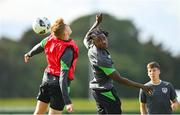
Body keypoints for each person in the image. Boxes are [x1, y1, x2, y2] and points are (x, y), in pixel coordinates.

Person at [83, 13, 153, 114]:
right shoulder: (101, 59)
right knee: (116, 110)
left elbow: (86, 37)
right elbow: (120, 80)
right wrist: (142, 86)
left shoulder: (91, 47)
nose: (103, 42)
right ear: (94, 42)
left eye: (104, 38)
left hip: (96, 89)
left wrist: (97, 23)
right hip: (105, 91)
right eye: (99, 40)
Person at [24, 17, 78, 114]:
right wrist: (68, 102)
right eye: (66, 25)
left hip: (46, 81)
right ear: (65, 33)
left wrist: (29, 54)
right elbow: (63, 77)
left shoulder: (50, 38)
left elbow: (39, 46)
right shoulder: (67, 51)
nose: (68, 25)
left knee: (38, 113)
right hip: (57, 87)